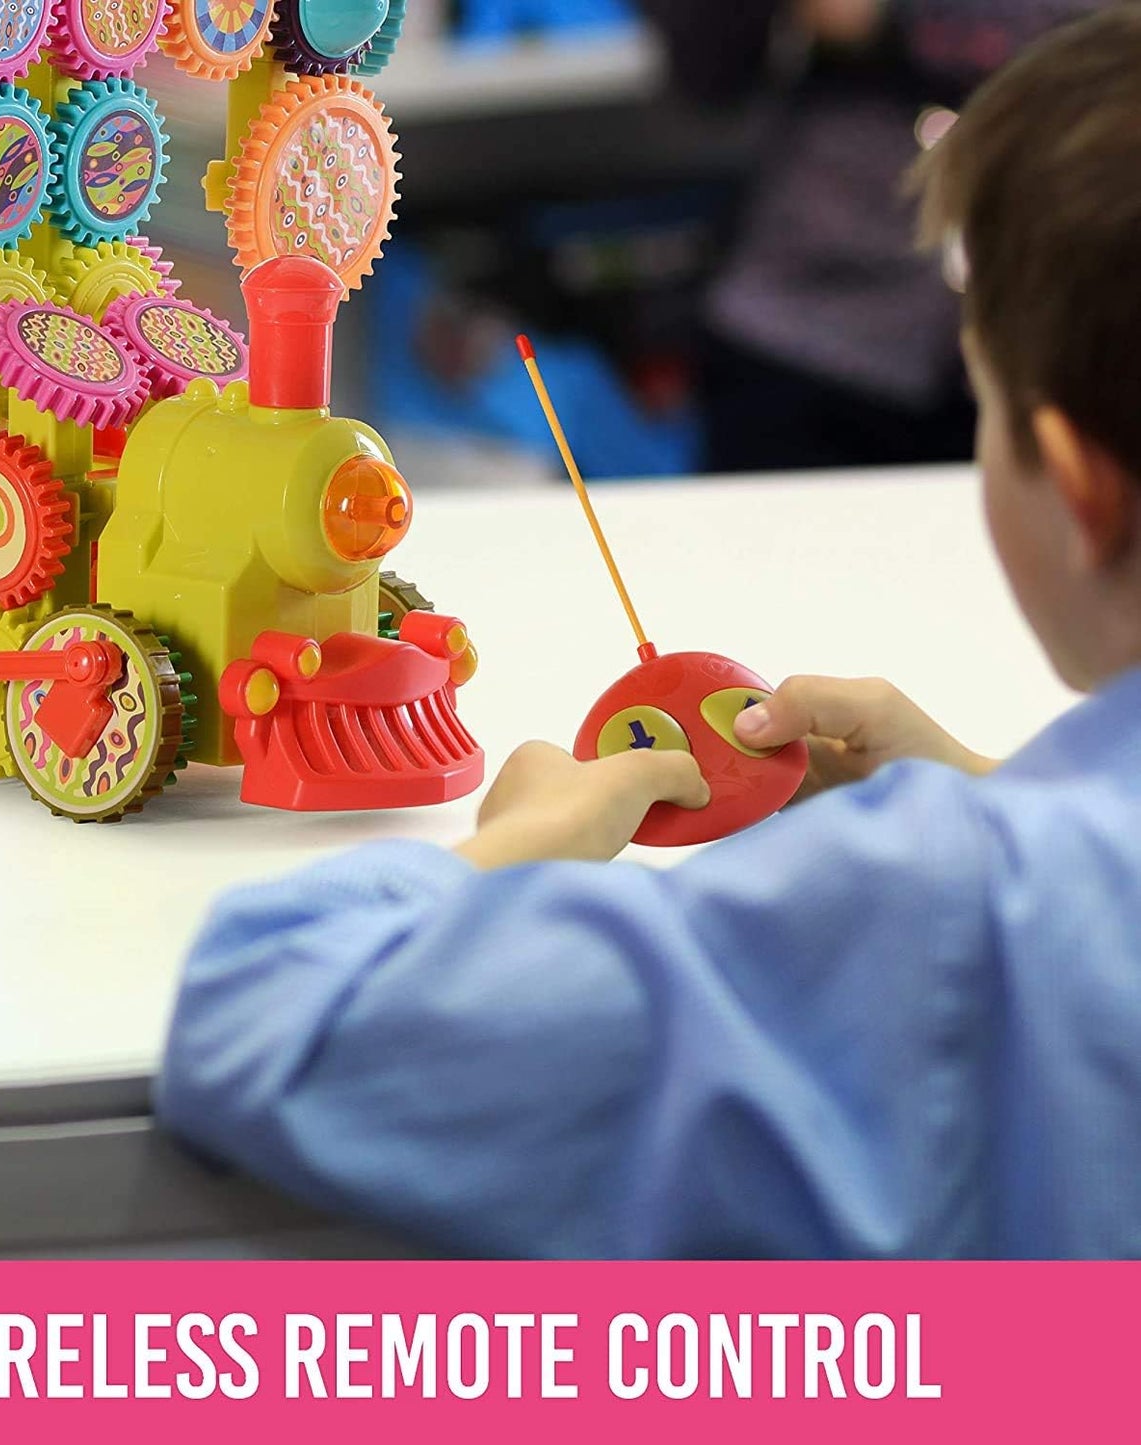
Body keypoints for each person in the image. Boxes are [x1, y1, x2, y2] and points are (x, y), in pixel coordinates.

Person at [154, 11, 1141, 1258]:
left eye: (983, 413)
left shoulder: (943, 911)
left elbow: (264, 1011)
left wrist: (520, 848)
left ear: (1077, 488)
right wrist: (997, 788)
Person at [645, 0, 1101, 472]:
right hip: (812, 319)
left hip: (1044, 327)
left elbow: (1095, 55)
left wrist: (888, 19)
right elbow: (705, 77)